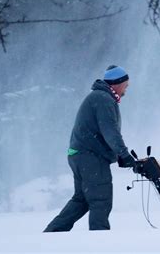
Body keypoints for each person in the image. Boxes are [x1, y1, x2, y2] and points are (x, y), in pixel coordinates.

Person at [44, 65, 137, 232]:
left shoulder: (99, 97)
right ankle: (99, 240)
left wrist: (120, 156)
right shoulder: (103, 99)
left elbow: (105, 132)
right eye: (126, 84)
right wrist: (124, 154)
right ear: (117, 83)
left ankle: (51, 234)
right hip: (90, 157)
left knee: (82, 200)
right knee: (101, 199)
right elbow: (110, 131)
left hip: (79, 155)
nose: (127, 89)